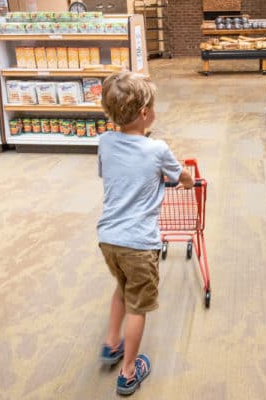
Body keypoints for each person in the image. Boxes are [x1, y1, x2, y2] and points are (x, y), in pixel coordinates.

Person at [97, 71, 194, 396]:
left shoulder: (105, 141)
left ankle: (111, 343)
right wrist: (187, 179)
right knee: (138, 304)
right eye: (153, 106)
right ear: (144, 113)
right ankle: (128, 370)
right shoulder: (157, 149)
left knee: (121, 287)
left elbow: (108, 173)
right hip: (139, 244)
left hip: (108, 238)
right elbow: (183, 178)